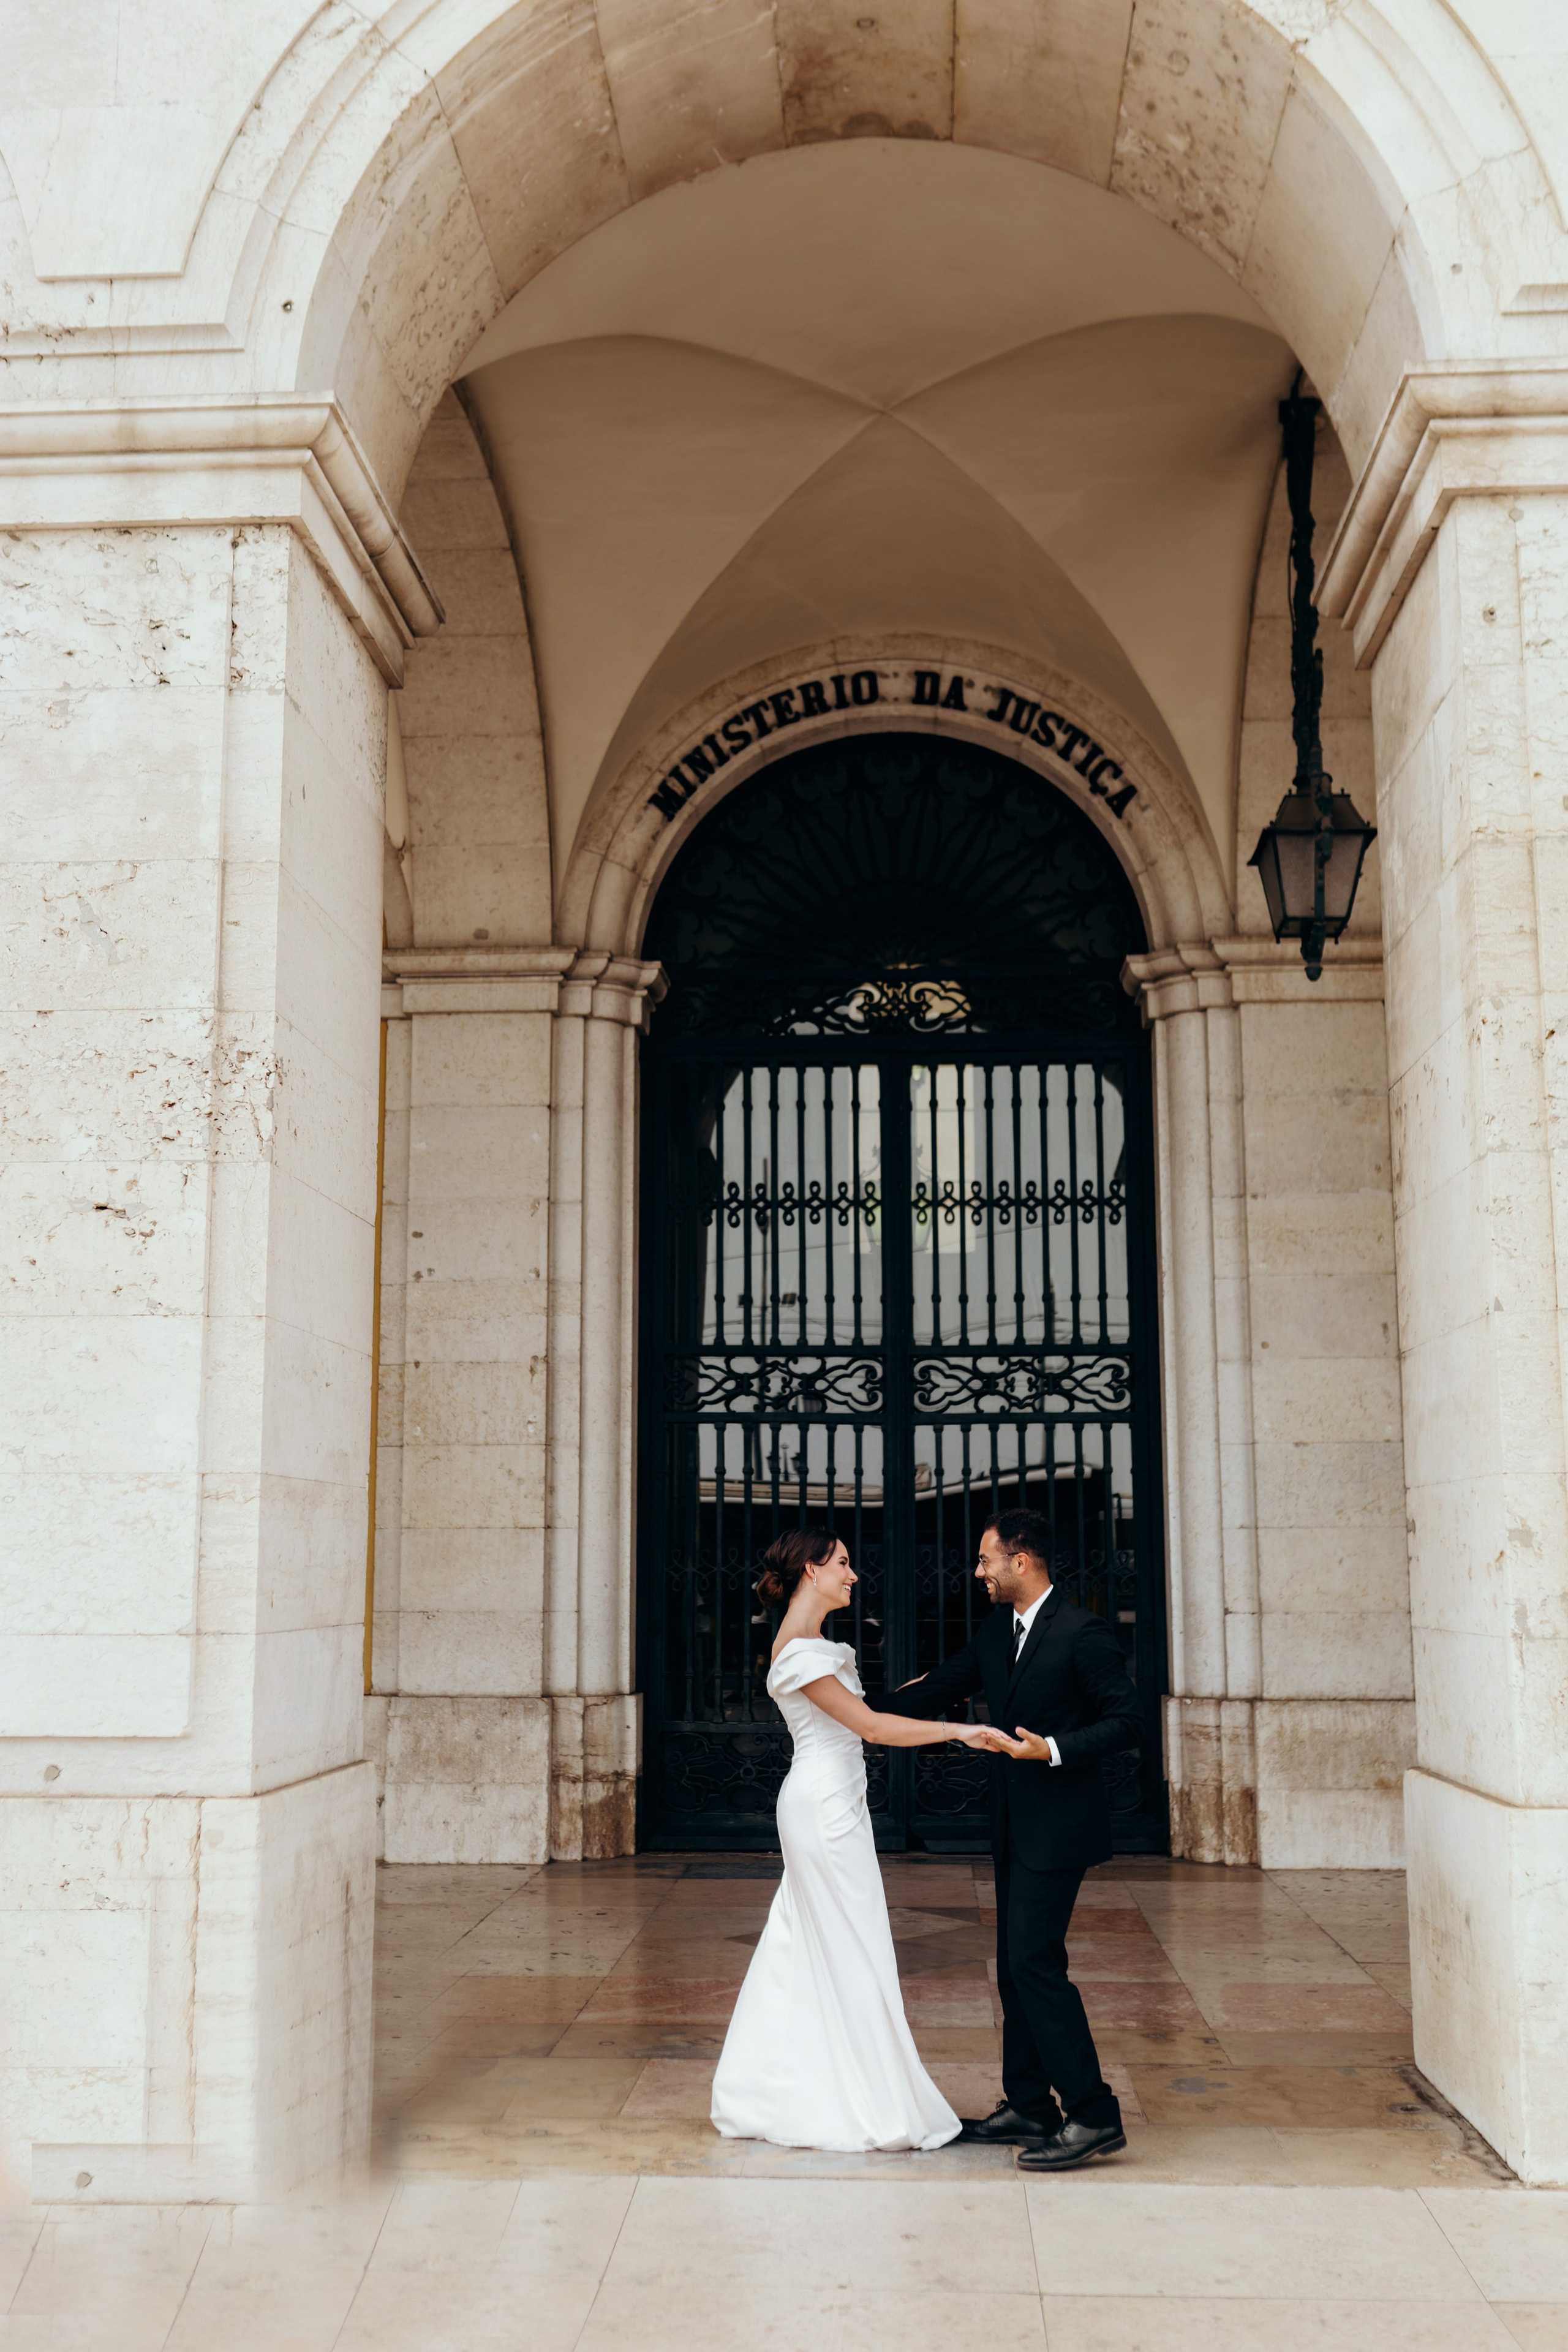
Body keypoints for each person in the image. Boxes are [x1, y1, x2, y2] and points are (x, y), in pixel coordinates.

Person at [878, 1506, 1144, 2171]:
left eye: (984, 1560)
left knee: (1034, 1964)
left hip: (1060, 1829)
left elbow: (1127, 1721)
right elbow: (943, 1686)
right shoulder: (999, 1629)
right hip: (1011, 1826)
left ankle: (1092, 2113)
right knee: (1014, 1965)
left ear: (1020, 1561)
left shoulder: (1084, 1633)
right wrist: (845, 1700)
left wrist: (1051, 1749)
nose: (978, 1572)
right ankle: (1029, 2104)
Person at [710, 1526, 992, 2152]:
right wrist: (959, 1732)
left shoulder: (812, 1646)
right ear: (811, 1571)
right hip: (823, 1808)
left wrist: (931, 1692)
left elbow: (866, 1711)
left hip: (832, 1801)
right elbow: (868, 1726)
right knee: (851, 1944)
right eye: (841, 1563)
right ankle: (859, 2098)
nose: (852, 1575)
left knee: (809, 1942)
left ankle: (780, 2086)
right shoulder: (802, 1653)